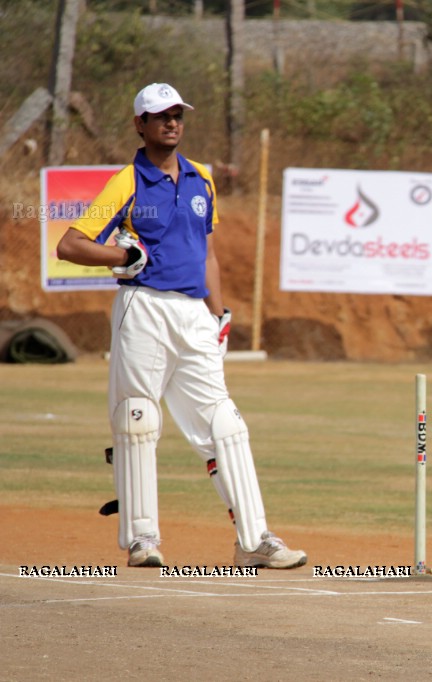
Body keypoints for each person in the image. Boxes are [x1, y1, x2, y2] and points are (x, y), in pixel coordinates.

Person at [56, 83, 306, 570]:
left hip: (194, 314)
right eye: (160, 116)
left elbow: (206, 253)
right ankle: (142, 540)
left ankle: (253, 541)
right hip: (143, 307)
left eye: (177, 115)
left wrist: (220, 312)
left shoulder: (201, 180)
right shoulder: (127, 182)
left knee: (225, 425)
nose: (171, 122)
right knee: (138, 420)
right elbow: (70, 245)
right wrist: (121, 255)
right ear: (140, 125)